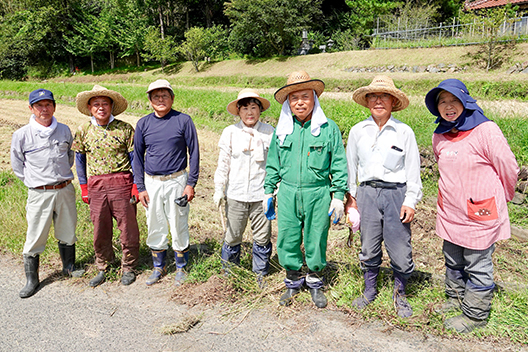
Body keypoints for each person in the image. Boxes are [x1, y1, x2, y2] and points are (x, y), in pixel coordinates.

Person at [425, 79, 518, 333]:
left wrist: (505, 196)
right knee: (453, 259)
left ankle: (475, 315)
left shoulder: (486, 130)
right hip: (450, 212)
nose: (448, 106)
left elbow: (508, 167)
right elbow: (442, 167)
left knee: (477, 263)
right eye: (442, 102)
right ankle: (455, 299)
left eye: (453, 100)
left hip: (480, 211)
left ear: (466, 101)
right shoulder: (440, 135)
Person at [264, 71, 348, 308]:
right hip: (288, 191)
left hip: (318, 193)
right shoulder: (281, 131)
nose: (299, 102)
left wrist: (338, 196)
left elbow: (339, 164)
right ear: (288, 103)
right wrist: (268, 192)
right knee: (287, 237)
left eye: (304, 96)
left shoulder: (328, 128)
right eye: (294, 98)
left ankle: (314, 281)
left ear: (314, 99)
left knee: (316, 237)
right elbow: (273, 163)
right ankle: (292, 282)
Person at [345, 75, 422, 318]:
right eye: (373, 97)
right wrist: (351, 198)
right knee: (368, 245)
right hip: (367, 193)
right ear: (367, 101)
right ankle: (370, 291)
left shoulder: (404, 131)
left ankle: (400, 294)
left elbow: (412, 169)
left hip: (395, 194)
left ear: (392, 101)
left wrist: (410, 200)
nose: (378, 101)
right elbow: (351, 167)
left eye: (384, 96)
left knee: (400, 248)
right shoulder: (358, 131)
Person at [11, 89, 83, 298]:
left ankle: (68, 267)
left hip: (64, 189)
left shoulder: (64, 130)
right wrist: (36, 182)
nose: (44, 109)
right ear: (31, 108)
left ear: (54, 106)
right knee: (35, 235)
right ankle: (32, 279)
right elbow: (17, 166)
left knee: (68, 231)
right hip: (39, 193)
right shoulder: (22, 134)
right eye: (39, 105)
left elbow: (69, 157)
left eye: (48, 104)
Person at [133, 79, 200, 286]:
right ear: (150, 100)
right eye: (155, 96)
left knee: (178, 222)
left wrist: (191, 183)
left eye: (164, 96)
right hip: (152, 181)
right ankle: (158, 267)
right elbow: (137, 156)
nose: (160, 100)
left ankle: (181, 267)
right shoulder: (143, 124)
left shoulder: (183, 120)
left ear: (172, 98)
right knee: (155, 223)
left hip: (176, 180)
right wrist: (141, 187)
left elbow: (194, 152)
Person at [72, 85, 140, 287]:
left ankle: (129, 266)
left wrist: (136, 184)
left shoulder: (125, 128)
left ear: (111, 106)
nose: (101, 108)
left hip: (122, 182)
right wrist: (84, 187)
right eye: (96, 104)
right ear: (90, 107)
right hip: (96, 185)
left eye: (105, 104)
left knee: (128, 227)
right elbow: (80, 160)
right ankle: (103, 265)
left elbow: (135, 158)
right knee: (100, 228)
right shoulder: (84, 130)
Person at [213, 88, 275, 287]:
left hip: (261, 194)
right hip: (236, 194)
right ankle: (229, 273)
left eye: (254, 108)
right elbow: (223, 163)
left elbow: (276, 163)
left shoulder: (269, 132)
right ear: (238, 111)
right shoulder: (230, 132)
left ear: (260, 111)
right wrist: (218, 188)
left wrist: (274, 191)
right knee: (232, 235)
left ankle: (260, 274)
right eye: (245, 108)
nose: (250, 112)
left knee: (262, 236)